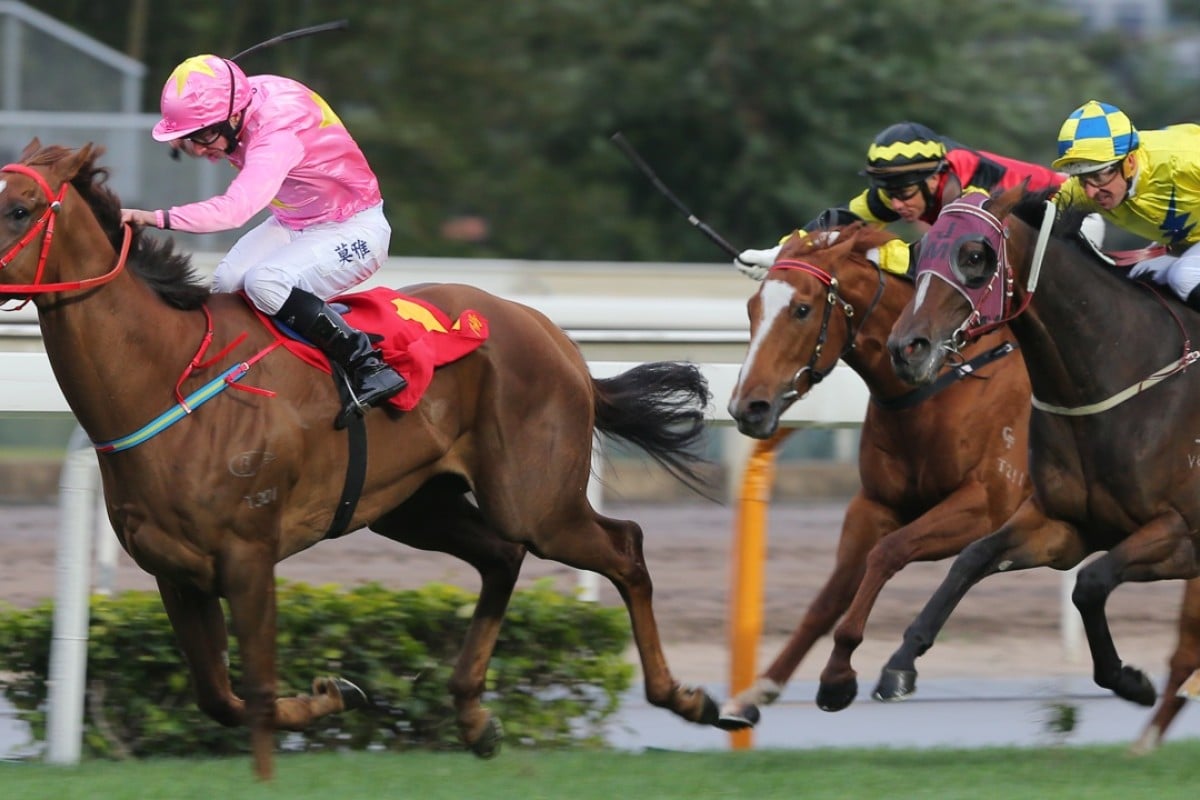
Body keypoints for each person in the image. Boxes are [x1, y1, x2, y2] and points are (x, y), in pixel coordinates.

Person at [121, 54, 406, 426]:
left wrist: (152, 218)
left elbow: (233, 212)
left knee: (264, 282)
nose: (201, 151)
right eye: (191, 139)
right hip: (295, 221)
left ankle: (368, 365)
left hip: (353, 227)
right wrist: (191, 132)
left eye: (204, 137)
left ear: (233, 117)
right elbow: (211, 101)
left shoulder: (277, 132)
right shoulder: (237, 99)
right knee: (227, 283)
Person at [735, 121, 1066, 278]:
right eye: (889, 194)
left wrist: (859, 251)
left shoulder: (969, 189)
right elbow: (840, 220)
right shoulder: (908, 185)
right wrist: (783, 253)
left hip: (1065, 212)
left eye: (904, 195)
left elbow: (938, 259)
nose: (895, 205)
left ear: (934, 178)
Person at [1052, 99, 1200, 309]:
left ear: (1129, 162)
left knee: (1185, 276)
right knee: (1135, 282)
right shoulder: (1079, 191)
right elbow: (1035, 218)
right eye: (1082, 178)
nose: (1091, 192)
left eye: (1098, 176)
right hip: (1184, 242)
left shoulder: (1188, 161)